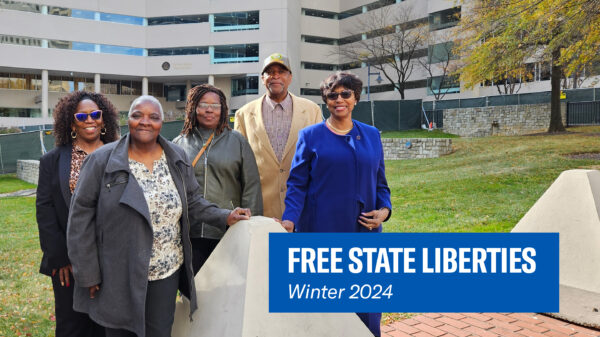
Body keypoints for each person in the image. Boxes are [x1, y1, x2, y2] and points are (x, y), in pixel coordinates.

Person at [66, 96, 251, 337]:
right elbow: (80, 218)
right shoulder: (102, 160)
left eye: (153, 117)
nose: (145, 122)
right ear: (127, 120)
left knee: (159, 332)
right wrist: (88, 272)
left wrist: (225, 216)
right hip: (119, 271)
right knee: (122, 332)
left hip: (166, 271)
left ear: (162, 123)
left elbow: (192, 200)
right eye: (137, 115)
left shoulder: (176, 156)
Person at [280, 72, 392, 337]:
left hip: (364, 234)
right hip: (322, 232)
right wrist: (289, 219)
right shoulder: (310, 136)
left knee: (366, 309)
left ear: (355, 98)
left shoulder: (372, 135)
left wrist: (384, 212)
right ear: (325, 101)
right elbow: (297, 184)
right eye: (332, 95)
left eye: (345, 94)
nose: (339, 99)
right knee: (326, 312)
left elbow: (381, 184)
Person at [36, 90, 120, 337]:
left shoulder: (121, 155)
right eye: (82, 116)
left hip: (112, 259)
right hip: (70, 262)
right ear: (72, 122)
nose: (90, 120)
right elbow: (45, 209)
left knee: (109, 327)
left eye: (95, 114)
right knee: (72, 326)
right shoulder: (52, 161)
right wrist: (60, 258)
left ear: (104, 119)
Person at [173, 84, 262, 274]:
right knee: (194, 290)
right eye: (203, 104)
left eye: (215, 105)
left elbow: (251, 187)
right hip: (191, 233)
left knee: (227, 287)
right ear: (193, 108)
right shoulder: (179, 144)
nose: (209, 110)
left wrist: (249, 226)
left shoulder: (237, 141)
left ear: (223, 110)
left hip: (228, 229)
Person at [234, 52, 322, 222]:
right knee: (267, 249)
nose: (276, 76)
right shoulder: (243, 114)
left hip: (303, 204)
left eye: (281, 72)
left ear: (290, 77)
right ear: (262, 78)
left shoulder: (312, 110)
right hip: (261, 207)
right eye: (270, 72)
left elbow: (320, 157)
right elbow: (239, 164)